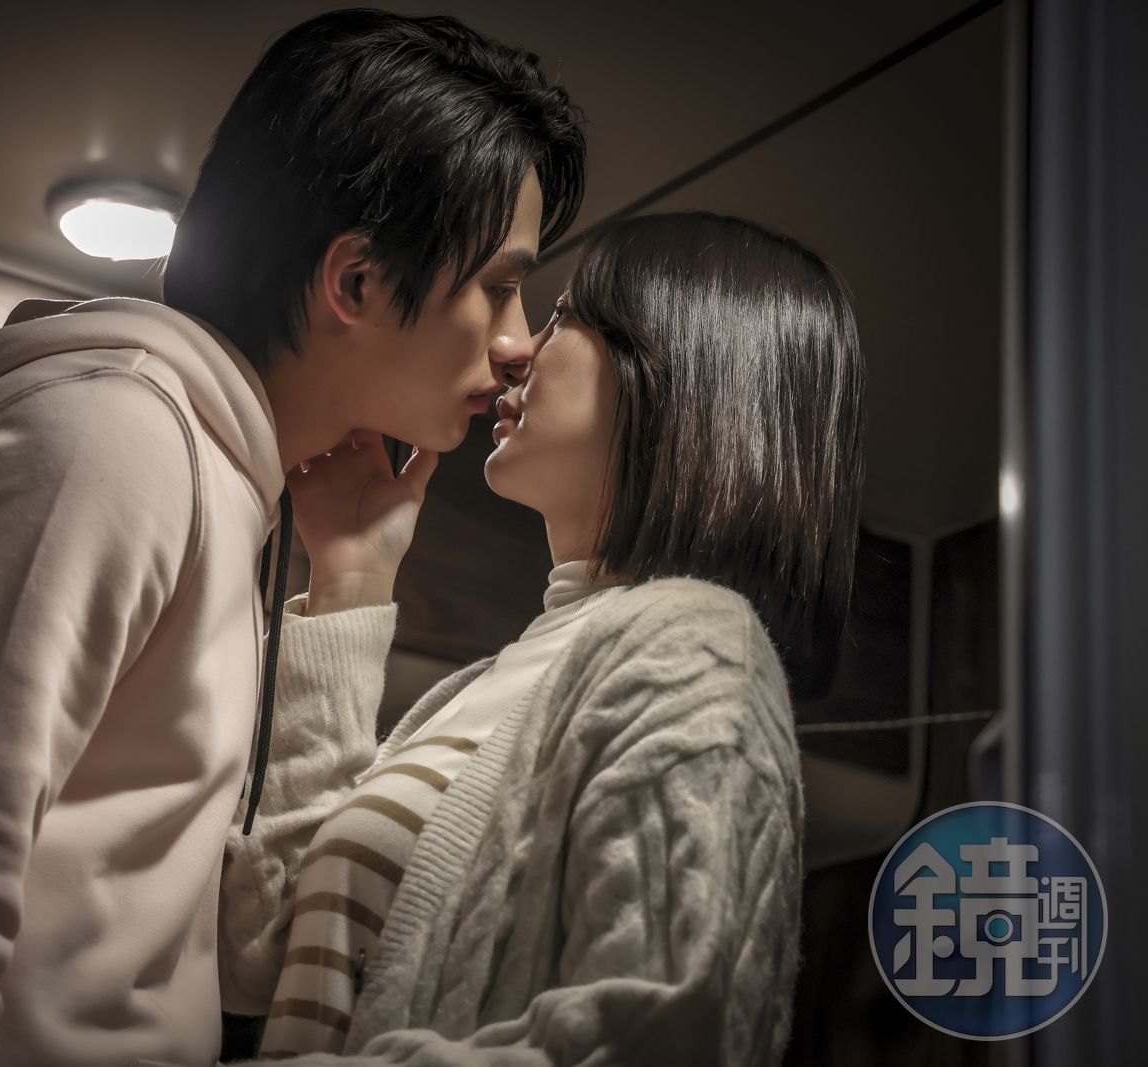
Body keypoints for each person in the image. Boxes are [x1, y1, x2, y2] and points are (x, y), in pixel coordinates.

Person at [0, 10, 584, 1067]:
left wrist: (352, 580)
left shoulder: (211, 475)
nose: (517, 341)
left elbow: (256, 955)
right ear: (356, 282)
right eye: (500, 286)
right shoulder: (107, 438)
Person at [221, 211, 866, 1064]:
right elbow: (260, 959)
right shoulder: (496, 679)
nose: (516, 350)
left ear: (675, 367)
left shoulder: (698, 644)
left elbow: (663, 1033)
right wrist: (351, 574)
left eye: (564, 316)